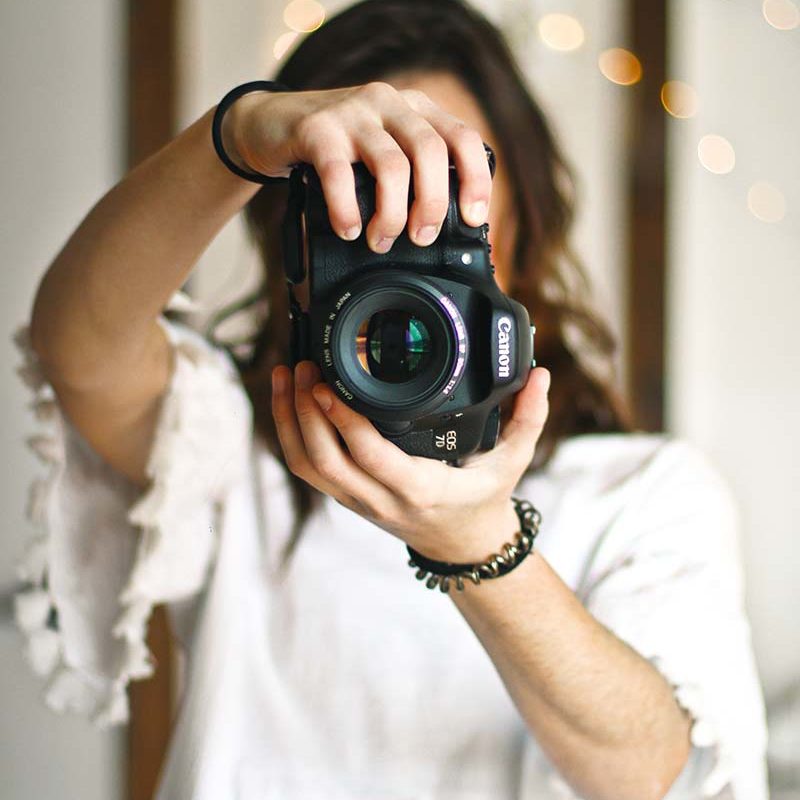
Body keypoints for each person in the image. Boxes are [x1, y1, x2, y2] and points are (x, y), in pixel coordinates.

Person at [15, 0, 767, 798]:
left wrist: (479, 543)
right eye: (363, 183)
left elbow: (656, 774)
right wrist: (238, 138)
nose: (402, 221)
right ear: (293, 234)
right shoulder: (240, 442)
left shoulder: (641, 489)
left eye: (445, 180)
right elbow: (78, 347)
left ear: (518, 216)